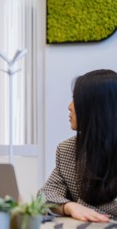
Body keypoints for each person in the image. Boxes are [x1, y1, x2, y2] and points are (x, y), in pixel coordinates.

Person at [38, 69, 117, 222]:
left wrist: (80, 204)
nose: (69, 106)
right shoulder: (68, 149)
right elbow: (43, 196)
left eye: (76, 99)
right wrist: (68, 207)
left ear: (98, 107)